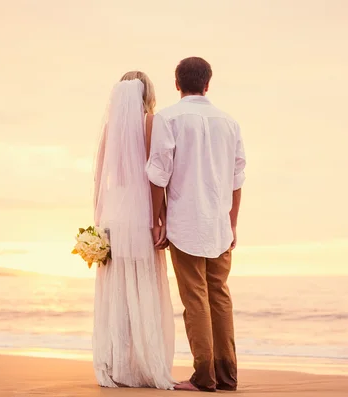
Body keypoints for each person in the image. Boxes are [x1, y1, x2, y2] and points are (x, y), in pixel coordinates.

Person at [147, 57, 246, 392]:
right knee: (219, 296)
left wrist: (156, 219)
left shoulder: (168, 118)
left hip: (186, 222)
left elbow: (159, 173)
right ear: (208, 83)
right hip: (219, 224)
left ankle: (205, 376)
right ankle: (228, 375)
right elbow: (237, 178)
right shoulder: (229, 122)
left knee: (196, 299)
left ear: (177, 84)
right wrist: (232, 223)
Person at [92, 71, 176, 389]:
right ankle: (145, 365)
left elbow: (100, 179)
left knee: (118, 295)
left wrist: (98, 223)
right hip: (141, 217)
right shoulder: (150, 122)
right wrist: (161, 218)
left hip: (114, 216)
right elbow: (157, 175)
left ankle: (117, 365)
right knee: (145, 291)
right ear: (147, 93)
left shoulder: (110, 129)